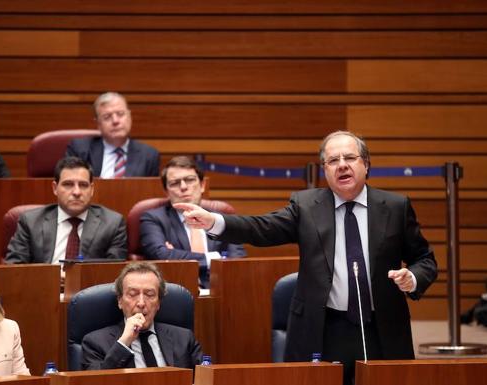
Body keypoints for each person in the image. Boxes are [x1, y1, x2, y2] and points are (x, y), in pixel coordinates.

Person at [176, 131, 437, 385]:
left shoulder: (395, 206)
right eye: (333, 161)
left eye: (350, 158)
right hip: (324, 326)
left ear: (366, 164)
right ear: (325, 169)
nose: (342, 166)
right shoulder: (306, 206)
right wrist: (214, 221)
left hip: (381, 327)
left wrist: (412, 278)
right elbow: (261, 227)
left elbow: (424, 258)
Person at [140, 156, 246, 288]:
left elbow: (237, 261)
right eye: (174, 183)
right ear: (166, 191)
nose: (183, 187)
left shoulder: (222, 219)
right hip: (177, 291)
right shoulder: (153, 218)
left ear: (202, 185)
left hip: (221, 289)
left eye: (189, 180)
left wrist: (176, 256)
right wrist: (212, 258)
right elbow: (161, 255)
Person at [81, 261, 202, 370]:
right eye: (132, 294)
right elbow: (95, 381)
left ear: (159, 303)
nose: (141, 303)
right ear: (120, 301)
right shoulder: (95, 343)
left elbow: (204, 378)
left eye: (149, 294)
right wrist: (124, 342)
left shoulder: (184, 338)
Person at [5, 156, 127, 264]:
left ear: (92, 189)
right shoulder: (30, 222)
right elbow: (15, 269)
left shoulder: (113, 224)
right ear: (55, 188)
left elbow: (113, 273)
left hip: (91, 288)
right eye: (68, 184)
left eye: (83, 185)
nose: (76, 192)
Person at [66, 92, 160, 178]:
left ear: (129, 117)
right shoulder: (80, 150)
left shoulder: (149, 155)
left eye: (120, 114)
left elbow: (151, 193)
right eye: (107, 117)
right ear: (98, 124)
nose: (115, 121)